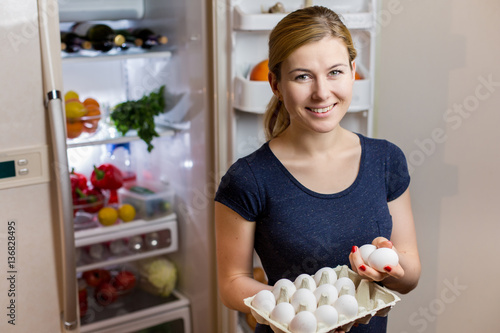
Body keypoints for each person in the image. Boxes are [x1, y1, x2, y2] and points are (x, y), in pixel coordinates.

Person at [214, 5, 421, 333]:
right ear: (276, 84)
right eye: (302, 76)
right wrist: (298, 312)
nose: (322, 92)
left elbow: (410, 274)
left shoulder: (386, 161)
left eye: (335, 72)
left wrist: (391, 269)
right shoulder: (248, 179)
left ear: (353, 71)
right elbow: (231, 282)